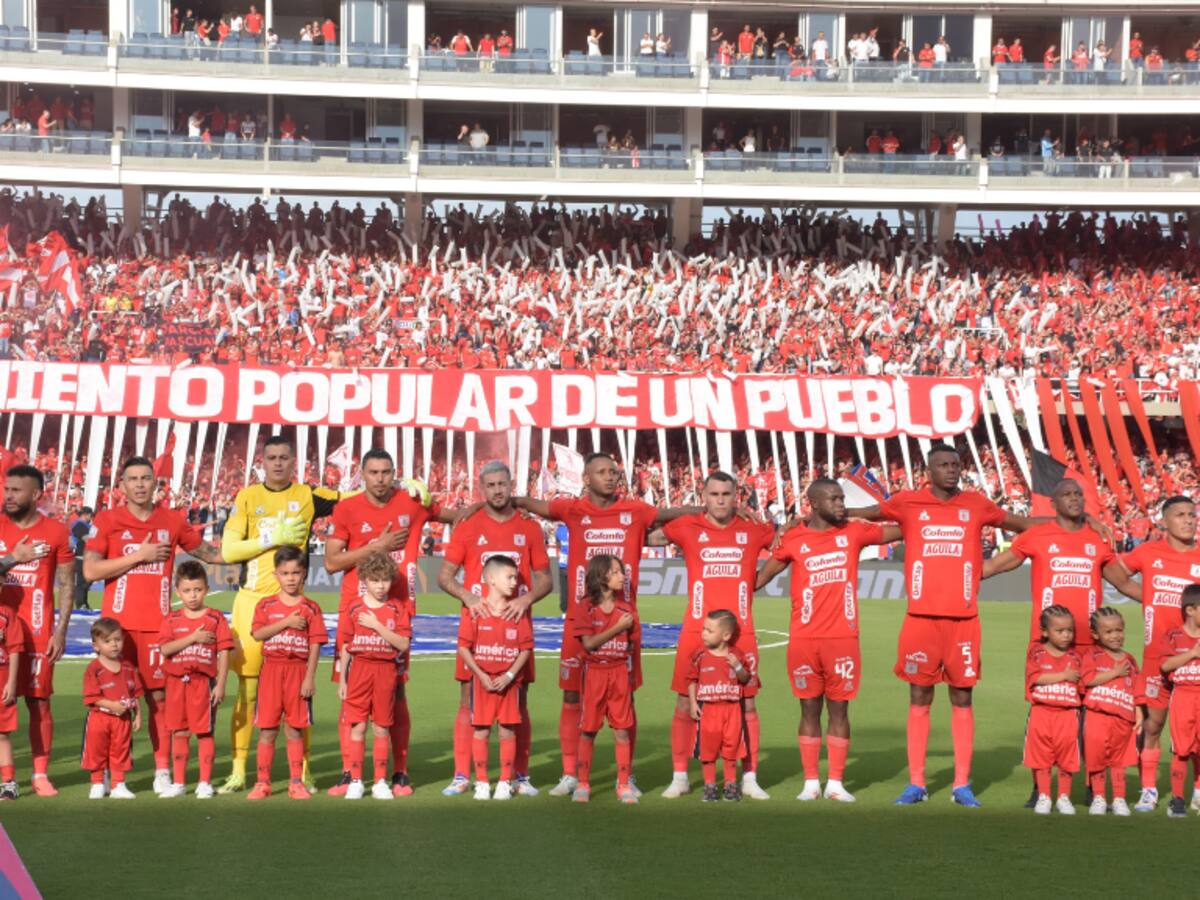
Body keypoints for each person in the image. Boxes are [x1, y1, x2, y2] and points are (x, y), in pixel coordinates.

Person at [849, 444, 1045, 807]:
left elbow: (1021, 526)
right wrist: (824, 513)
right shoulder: (908, 502)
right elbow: (868, 513)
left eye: (956, 464)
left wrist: (1071, 522)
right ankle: (917, 783)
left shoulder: (976, 504)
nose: (952, 470)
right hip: (920, 620)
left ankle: (960, 784)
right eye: (944, 465)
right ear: (930, 470)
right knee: (919, 696)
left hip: (964, 621)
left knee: (962, 697)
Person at [514, 452, 700, 798]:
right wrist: (507, 499)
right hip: (580, 620)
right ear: (586, 479)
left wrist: (708, 510)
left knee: (625, 699)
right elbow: (534, 504)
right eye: (602, 472)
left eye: (613, 472)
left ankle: (625, 777)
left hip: (625, 621)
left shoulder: (636, 511)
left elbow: (669, 514)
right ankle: (571, 773)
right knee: (572, 695)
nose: (611, 477)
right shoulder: (572, 509)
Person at [982, 477, 1141, 806]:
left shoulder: (1097, 540)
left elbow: (1123, 582)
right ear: (1052, 504)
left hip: (1090, 647)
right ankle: (1038, 787)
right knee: (1043, 717)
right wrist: (956, 570)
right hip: (1048, 647)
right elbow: (996, 565)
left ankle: (1090, 783)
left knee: (1090, 718)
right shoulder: (1037, 535)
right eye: (1066, 494)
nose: (1074, 499)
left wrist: (1166, 600)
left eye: (1078, 494)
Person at [84, 456, 221, 795]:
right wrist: (139, 555)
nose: (141, 484)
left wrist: (259, 547)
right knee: (111, 701)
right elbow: (90, 571)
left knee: (159, 699)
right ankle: (108, 773)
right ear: (122, 486)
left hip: (158, 629)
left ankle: (162, 770)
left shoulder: (171, 520)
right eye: (133, 479)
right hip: (117, 630)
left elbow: (208, 553)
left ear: (155, 483)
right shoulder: (107, 519)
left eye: (147, 478)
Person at [755, 478, 899, 802]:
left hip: (843, 638)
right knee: (808, 710)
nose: (840, 504)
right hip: (804, 639)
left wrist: (873, 513)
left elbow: (904, 528)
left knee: (839, 711)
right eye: (833, 499)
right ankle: (810, 783)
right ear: (815, 504)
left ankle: (835, 783)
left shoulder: (854, 532)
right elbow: (759, 579)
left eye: (841, 498)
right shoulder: (794, 539)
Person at [324, 448, 454, 797]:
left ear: (394, 473)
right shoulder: (347, 508)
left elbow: (456, 516)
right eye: (373, 472)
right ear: (361, 474)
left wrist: (432, 494)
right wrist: (377, 546)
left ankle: (399, 772)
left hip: (397, 613)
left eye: (386, 472)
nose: (380, 479)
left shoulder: (412, 502)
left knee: (396, 693)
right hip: (356, 612)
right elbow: (332, 563)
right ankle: (349, 773)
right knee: (349, 694)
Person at [216, 435, 340, 794]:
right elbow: (228, 550)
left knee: (300, 695)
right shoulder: (247, 496)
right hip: (252, 604)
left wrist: (402, 489)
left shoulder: (309, 495)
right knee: (249, 692)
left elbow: (360, 498)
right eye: (271, 457)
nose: (278, 463)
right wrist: (271, 536)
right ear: (262, 461)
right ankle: (240, 770)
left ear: (294, 460)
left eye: (285, 457)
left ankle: (303, 771)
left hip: (294, 606)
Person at [649, 472, 775, 800]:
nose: (720, 500)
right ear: (704, 496)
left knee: (747, 701)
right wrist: (686, 510)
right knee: (683, 700)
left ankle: (749, 777)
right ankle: (680, 776)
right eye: (714, 494)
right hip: (696, 630)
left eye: (726, 494)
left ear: (737, 496)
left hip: (741, 632)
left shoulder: (754, 530)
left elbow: (787, 547)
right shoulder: (687, 527)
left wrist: (757, 580)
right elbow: (646, 535)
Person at [437, 461, 551, 796]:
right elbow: (445, 576)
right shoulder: (468, 526)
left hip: (516, 627)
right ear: (481, 488)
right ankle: (461, 775)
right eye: (491, 485)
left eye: (503, 484)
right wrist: (468, 598)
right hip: (477, 627)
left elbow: (545, 579)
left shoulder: (529, 528)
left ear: (510, 484)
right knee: (468, 699)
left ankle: (520, 775)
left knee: (519, 702)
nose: (498, 490)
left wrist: (526, 599)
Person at [1117, 495, 1200, 812]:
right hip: (1156, 656)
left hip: (1193, 655)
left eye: (1192, 514)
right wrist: (1145, 596)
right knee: (1152, 726)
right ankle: (1149, 790)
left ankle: (1195, 791)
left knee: (1196, 729)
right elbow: (1117, 572)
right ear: (1164, 521)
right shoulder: (1149, 552)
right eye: (1180, 515)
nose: (1189, 520)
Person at [0, 465, 74, 797]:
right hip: (2, 631)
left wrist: (61, 631)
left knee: (39, 702)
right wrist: (12, 559)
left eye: (17, 490)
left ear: (36, 494)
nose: (9, 495)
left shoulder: (57, 532)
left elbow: (67, 584)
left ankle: (40, 775)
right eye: (7, 489)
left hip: (40, 632)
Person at [246, 545, 327, 801]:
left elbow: (316, 644)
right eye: (285, 573)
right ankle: (262, 782)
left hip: (297, 671)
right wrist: (286, 622)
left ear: (304, 574)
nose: (291, 578)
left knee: (295, 729)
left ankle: (296, 782)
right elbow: (258, 634)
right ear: (276, 575)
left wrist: (310, 677)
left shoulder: (311, 608)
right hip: (271, 670)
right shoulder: (266, 605)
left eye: (295, 572)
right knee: (267, 730)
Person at [456, 555, 533, 801]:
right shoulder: (476, 611)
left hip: (509, 684)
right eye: (509, 577)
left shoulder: (517, 612)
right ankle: (481, 782)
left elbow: (525, 649)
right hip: (483, 682)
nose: (514, 582)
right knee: (481, 731)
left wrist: (510, 675)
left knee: (508, 731)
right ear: (490, 579)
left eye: (515, 577)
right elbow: (464, 647)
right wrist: (480, 674)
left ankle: (504, 782)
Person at [337, 552, 411, 801]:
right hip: (359, 670)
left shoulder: (396, 608)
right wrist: (344, 681)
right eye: (375, 580)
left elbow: (402, 644)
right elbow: (346, 645)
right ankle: (356, 781)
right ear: (364, 580)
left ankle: (380, 781)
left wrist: (377, 625)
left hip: (385, 671)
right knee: (357, 726)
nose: (381, 586)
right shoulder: (354, 607)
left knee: (381, 727)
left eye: (385, 580)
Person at [156, 560, 233, 799]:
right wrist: (194, 637)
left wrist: (220, 684)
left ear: (206, 589)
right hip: (177, 683)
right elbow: (165, 649)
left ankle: (204, 782)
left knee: (204, 732)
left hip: (203, 683)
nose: (192, 595)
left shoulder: (215, 618)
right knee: (179, 732)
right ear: (178, 591)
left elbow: (224, 651)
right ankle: (179, 782)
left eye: (198, 589)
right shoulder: (172, 619)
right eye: (187, 591)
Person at [571, 554, 639, 804]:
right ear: (601, 576)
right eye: (617, 572)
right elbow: (588, 645)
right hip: (594, 674)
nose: (623, 576)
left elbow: (632, 643)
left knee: (622, 731)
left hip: (619, 672)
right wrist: (616, 629)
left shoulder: (627, 609)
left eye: (622, 571)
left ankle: (623, 785)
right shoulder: (585, 607)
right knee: (588, 730)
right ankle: (583, 783)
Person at [688, 609, 752, 802]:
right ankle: (709, 786)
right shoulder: (700, 655)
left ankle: (730, 785)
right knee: (708, 749)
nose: (704, 633)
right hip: (709, 709)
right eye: (704, 629)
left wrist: (737, 667)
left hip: (732, 710)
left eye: (709, 630)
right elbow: (692, 680)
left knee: (731, 748)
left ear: (725, 635)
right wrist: (693, 704)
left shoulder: (736, 655)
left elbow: (746, 678)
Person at [1080, 607, 1139, 816]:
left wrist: (1138, 715)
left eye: (1119, 630)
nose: (1115, 636)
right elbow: (1088, 680)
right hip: (1097, 716)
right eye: (1108, 632)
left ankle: (1119, 799)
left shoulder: (1130, 659)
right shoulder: (1092, 655)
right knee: (1097, 759)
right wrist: (1115, 672)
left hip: (1123, 719)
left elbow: (1136, 690)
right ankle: (1098, 797)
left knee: (1119, 761)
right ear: (1096, 635)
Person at [1024, 606, 1082, 815]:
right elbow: (1035, 678)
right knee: (1042, 758)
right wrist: (1063, 676)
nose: (1066, 635)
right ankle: (1044, 796)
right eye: (1060, 631)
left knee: (1066, 758)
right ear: (1045, 632)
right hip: (1042, 712)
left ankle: (1064, 797)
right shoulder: (1037, 653)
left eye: (1069, 630)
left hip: (1067, 715)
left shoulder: (1076, 657)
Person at [81, 617, 142, 800]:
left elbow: (135, 694)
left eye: (117, 639)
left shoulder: (128, 667)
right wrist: (112, 705)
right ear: (96, 646)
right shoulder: (93, 669)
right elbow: (92, 697)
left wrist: (138, 715)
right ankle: (98, 783)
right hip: (99, 718)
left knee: (121, 750)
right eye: (107, 641)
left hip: (122, 720)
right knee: (96, 750)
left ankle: (118, 785)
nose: (114, 645)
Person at [1158, 584, 1200, 818]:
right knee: (1181, 750)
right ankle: (1177, 800)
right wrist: (1192, 654)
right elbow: (1165, 665)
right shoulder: (1174, 636)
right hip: (1183, 696)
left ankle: (1198, 794)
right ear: (1190, 610)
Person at [0, 601, 22, 800]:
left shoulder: (7, 613)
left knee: (2, 734)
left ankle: (9, 783)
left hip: (2, 678)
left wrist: (12, 682)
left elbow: (14, 649)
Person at [69, 506, 93, 610]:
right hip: (81, 556)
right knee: (82, 582)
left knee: (86, 581)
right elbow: (86, 539)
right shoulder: (80, 525)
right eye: (91, 515)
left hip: (85, 556)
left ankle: (83, 603)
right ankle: (80, 604)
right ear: (86, 515)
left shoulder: (84, 525)